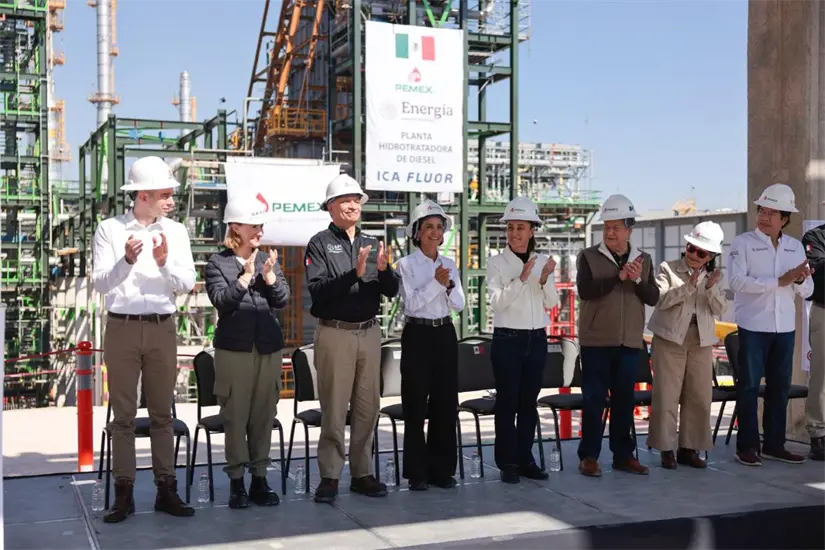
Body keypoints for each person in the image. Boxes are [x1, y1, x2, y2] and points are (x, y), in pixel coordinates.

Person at [91, 156, 196, 523]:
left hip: (162, 326)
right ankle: (124, 494)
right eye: (165, 194)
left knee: (162, 414)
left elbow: (186, 284)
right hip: (121, 326)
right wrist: (127, 262)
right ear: (143, 196)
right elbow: (101, 283)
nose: (171, 201)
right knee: (122, 416)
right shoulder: (109, 230)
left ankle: (166, 490)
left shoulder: (177, 232)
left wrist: (164, 262)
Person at [304, 173, 400, 503]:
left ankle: (363, 473)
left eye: (356, 200)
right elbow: (317, 294)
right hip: (335, 333)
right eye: (345, 200)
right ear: (330, 206)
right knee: (334, 406)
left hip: (369, 333)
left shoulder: (370, 244)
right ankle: (330, 475)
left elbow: (391, 291)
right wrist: (352, 275)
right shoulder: (318, 244)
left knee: (367, 406)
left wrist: (386, 271)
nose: (352, 205)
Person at [204, 195, 290, 509]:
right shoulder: (218, 263)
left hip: (267, 349)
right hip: (235, 350)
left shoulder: (268, 259)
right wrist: (243, 278)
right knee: (236, 415)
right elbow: (222, 300)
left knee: (264, 415)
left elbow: (281, 299)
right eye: (254, 225)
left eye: (261, 225)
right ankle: (237, 483)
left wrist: (268, 277)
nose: (259, 231)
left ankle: (260, 479)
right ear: (235, 227)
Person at [728, 183, 813, 466]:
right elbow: (736, 281)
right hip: (753, 327)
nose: (764, 217)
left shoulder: (795, 247)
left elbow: (807, 289)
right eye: (762, 211)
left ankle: (775, 444)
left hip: (784, 328)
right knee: (749, 387)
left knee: (780, 387)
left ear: (785, 218)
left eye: (771, 213)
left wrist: (799, 280)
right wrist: (779, 281)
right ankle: (747, 446)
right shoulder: (743, 243)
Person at [576, 194, 659, 478]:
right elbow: (585, 291)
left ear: (629, 229)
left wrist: (635, 279)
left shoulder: (644, 260)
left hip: (629, 341)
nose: (610, 232)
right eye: (606, 226)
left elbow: (653, 297)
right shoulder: (587, 256)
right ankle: (589, 456)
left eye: (616, 226)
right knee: (594, 400)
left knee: (625, 400)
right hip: (596, 341)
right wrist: (618, 278)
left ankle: (624, 456)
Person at [486, 196, 559, 483]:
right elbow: (496, 303)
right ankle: (507, 463)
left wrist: (543, 280)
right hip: (508, 340)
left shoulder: (543, 262)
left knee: (529, 402)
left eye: (520, 227)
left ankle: (526, 458)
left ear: (532, 230)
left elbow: (551, 303)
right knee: (507, 403)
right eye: (511, 227)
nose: (514, 233)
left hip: (536, 339)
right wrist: (521, 279)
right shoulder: (497, 263)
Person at [395, 200, 465, 490]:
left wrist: (447, 287)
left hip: (444, 333)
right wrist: (437, 284)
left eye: (439, 227)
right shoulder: (406, 265)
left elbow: (459, 304)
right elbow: (411, 304)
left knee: (446, 404)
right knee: (415, 404)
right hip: (418, 335)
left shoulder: (449, 264)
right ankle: (417, 474)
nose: (435, 232)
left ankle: (442, 470)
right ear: (417, 232)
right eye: (428, 227)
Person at [647, 222, 728, 469]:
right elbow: (660, 300)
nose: (693, 255)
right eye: (691, 249)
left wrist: (711, 288)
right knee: (667, 395)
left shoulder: (712, 278)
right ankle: (665, 449)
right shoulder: (668, 269)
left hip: (700, 340)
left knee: (699, 396)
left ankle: (689, 448)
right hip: (670, 339)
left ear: (711, 256)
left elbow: (720, 308)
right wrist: (688, 287)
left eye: (701, 253)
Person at [802, 215, 825, 461]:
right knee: (822, 376)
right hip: (824, 311)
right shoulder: (815, 237)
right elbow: (818, 274)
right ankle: (818, 435)